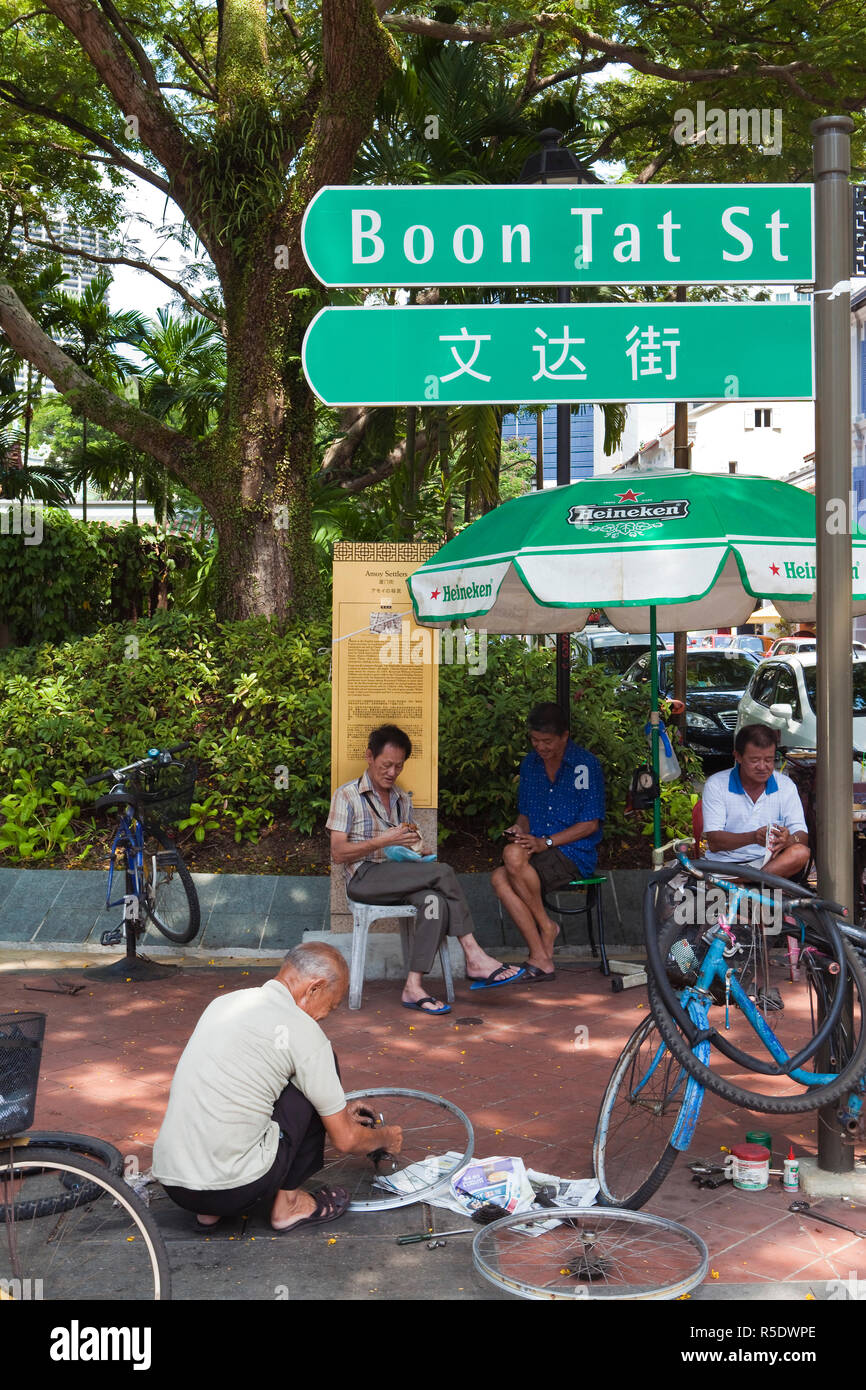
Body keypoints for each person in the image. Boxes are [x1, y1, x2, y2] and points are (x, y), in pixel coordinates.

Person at [152, 943, 402, 1232]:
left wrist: (339, 1110)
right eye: (330, 1007)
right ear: (314, 988)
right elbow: (345, 1140)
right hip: (237, 1189)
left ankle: (208, 1214)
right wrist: (385, 1138)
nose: (324, 1017)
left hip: (176, 1185)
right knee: (315, 1075)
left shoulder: (224, 1004)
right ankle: (289, 1207)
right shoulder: (304, 1032)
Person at [327, 723, 524, 1015]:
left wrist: (417, 850)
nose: (392, 772)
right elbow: (338, 852)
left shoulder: (401, 799)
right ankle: (474, 954)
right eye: (386, 764)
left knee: (434, 902)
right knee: (443, 872)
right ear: (369, 756)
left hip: (398, 876)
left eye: (398, 766)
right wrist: (384, 839)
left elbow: (405, 849)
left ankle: (413, 986)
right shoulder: (347, 796)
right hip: (364, 878)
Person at [491, 703, 605, 981]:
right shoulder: (530, 764)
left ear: (564, 736)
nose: (540, 747)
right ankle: (542, 951)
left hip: (573, 853)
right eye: (535, 740)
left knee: (507, 866)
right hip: (537, 848)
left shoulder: (584, 765)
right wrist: (517, 829)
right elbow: (526, 814)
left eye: (547, 741)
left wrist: (548, 843)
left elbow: (590, 824)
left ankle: (544, 940)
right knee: (500, 873)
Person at [701, 724, 810, 878]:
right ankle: (752, 881)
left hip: (770, 863)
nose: (762, 767)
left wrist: (789, 840)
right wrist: (753, 837)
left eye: (769, 760)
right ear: (738, 756)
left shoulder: (785, 785)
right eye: (755, 760)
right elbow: (715, 842)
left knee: (800, 852)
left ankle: (744, 882)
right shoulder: (716, 785)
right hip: (725, 865)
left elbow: (802, 836)